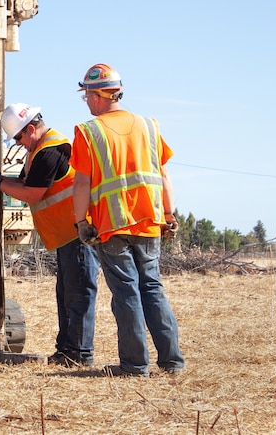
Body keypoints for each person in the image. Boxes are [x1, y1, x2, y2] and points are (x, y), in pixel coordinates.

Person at [71, 63, 185, 377]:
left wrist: (81, 222)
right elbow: (163, 175)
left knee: (127, 293)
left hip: (112, 226)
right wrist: (169, 213)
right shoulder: (149, 125)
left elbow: (81, 183)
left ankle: (135, 365)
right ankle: (172, 362)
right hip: (149, 221)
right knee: (152, 288)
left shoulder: (88, 132)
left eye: (87, 96)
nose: (87, 102)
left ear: (97, 96)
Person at [0, 102, 99, 367]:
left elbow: (32, 194)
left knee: (79, 294)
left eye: (18, 137)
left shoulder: (51, 150)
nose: (18, 143)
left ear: (31, 128)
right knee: (66, 295)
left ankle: (80, 353)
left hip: (77, 233)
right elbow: (24, 183)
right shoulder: (36, 152)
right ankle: (66, 350)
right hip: (65, 235)